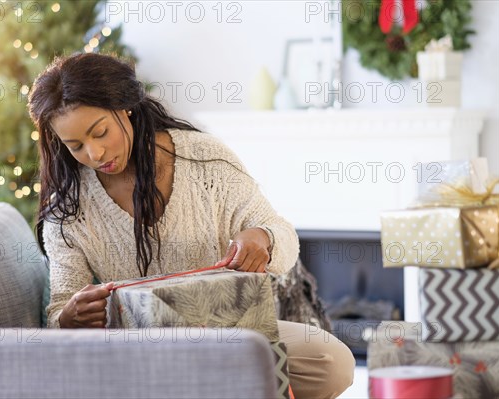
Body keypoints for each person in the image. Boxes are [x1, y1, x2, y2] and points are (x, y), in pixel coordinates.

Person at [28, 53, 354, 399]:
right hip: (136, 348)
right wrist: (70, 317)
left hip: (226, 329)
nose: (94, 153)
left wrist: (262, 238)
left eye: (101, 132)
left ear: (124, 107)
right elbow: (58, 313)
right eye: (75, 145)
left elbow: (281, 234)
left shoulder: (204, 158)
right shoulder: (67, 210)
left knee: (329, 361)